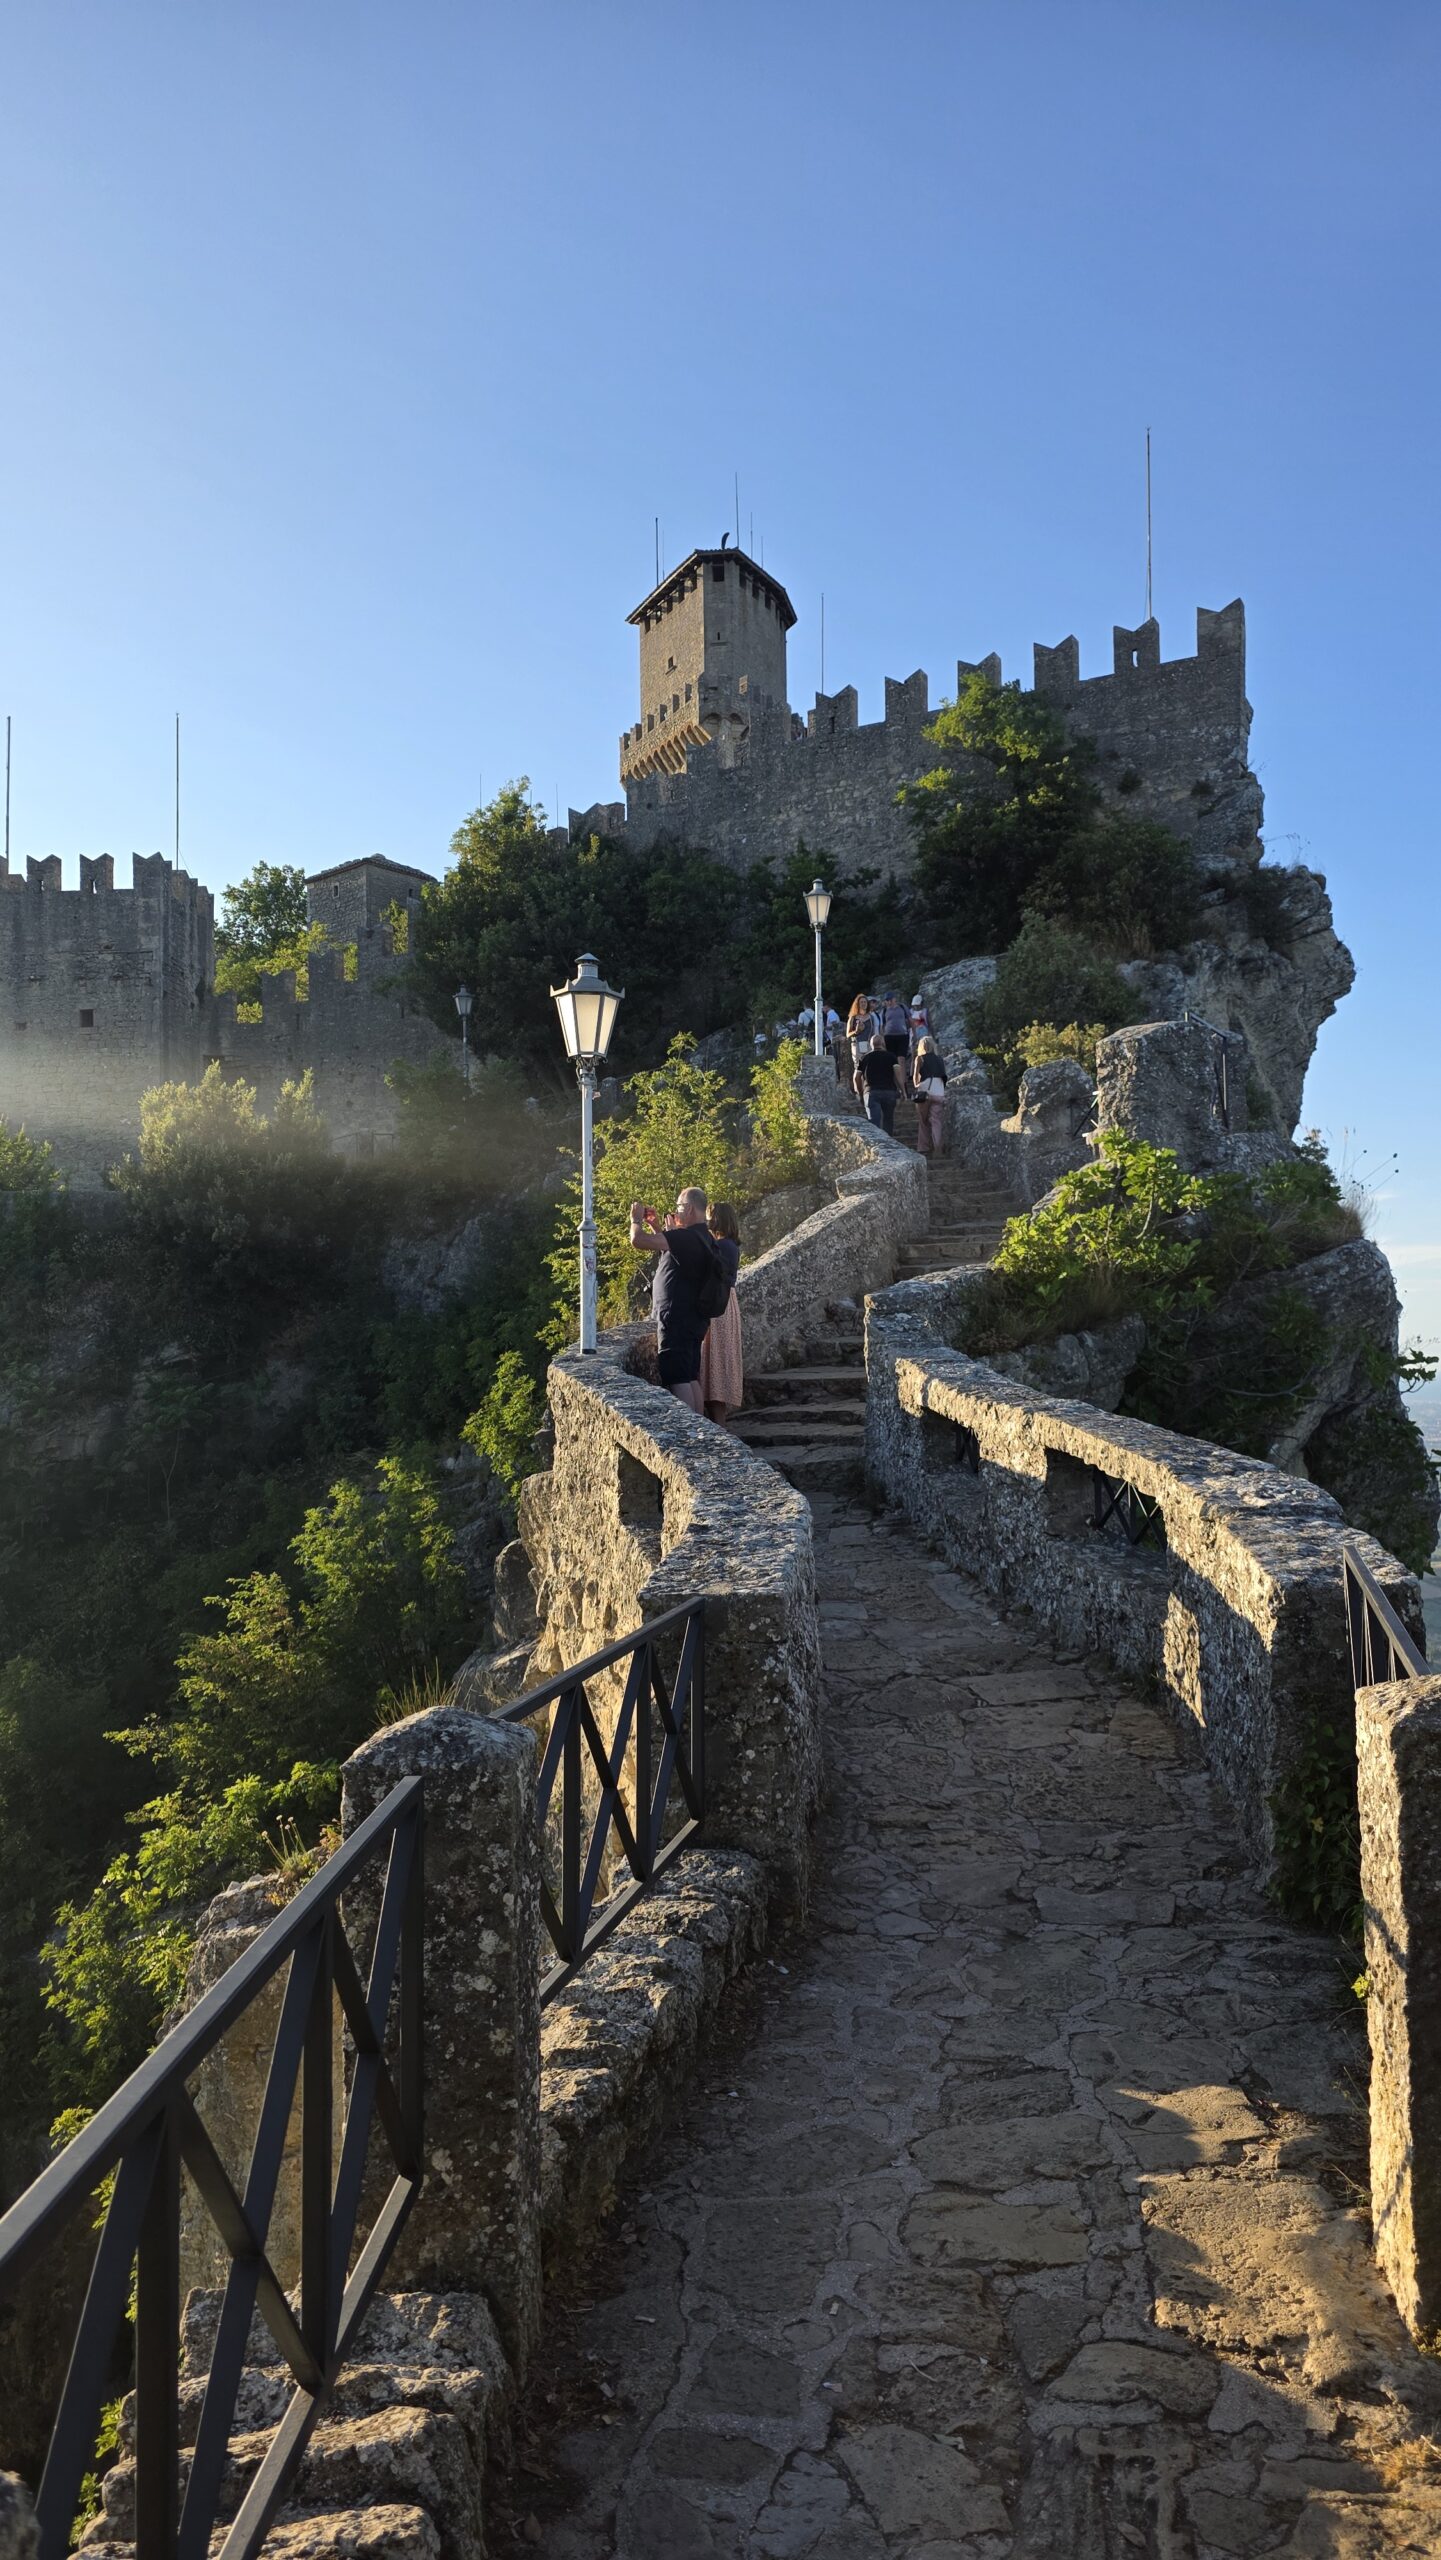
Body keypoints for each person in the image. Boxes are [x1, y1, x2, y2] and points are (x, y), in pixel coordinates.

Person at [629, 1186, 722, 1413]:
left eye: (679, 1207)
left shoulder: (687, 1237)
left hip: (677, 1318)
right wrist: (657, 1227)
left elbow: (638, 1241)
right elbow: (672, 1255)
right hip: (694, 1318)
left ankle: (689, 1434)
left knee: (678, 1378)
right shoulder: (704, 1237)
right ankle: (701, 1431)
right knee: (690, 1376)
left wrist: (636, 1220)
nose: (677, 1211)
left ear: (689, 1208)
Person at [699, 1201, 744, 1426]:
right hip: (724, 1303)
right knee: (713, 1363)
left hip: (720, 1305)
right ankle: (719, 1425)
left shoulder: (724, 1246)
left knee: (715, 1362)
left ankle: (720, 1428)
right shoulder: (728, 1245)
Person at [854, 1030, 900, 1135]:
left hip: (871, 1092)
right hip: (889, 1091)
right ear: (883, 1043)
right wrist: (902, 1089)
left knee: (874, 1122)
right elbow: (898, 1074)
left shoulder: (864, 1058)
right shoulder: (891, 1056)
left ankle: (877, 1147)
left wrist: (860, 1093)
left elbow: (856, 1077)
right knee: (888, 1121)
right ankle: (889, 1145)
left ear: (871, 1045)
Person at [912, 1033, 948, 1156]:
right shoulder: (940, 1059)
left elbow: (915, 1078)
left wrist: (917, 1085)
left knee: (923, 1121)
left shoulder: (919, 1058)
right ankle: (938, 1147)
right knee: (936, 1121)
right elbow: (944, 1077)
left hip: (925, 1092)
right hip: (939, 1092)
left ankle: (923, 1148)